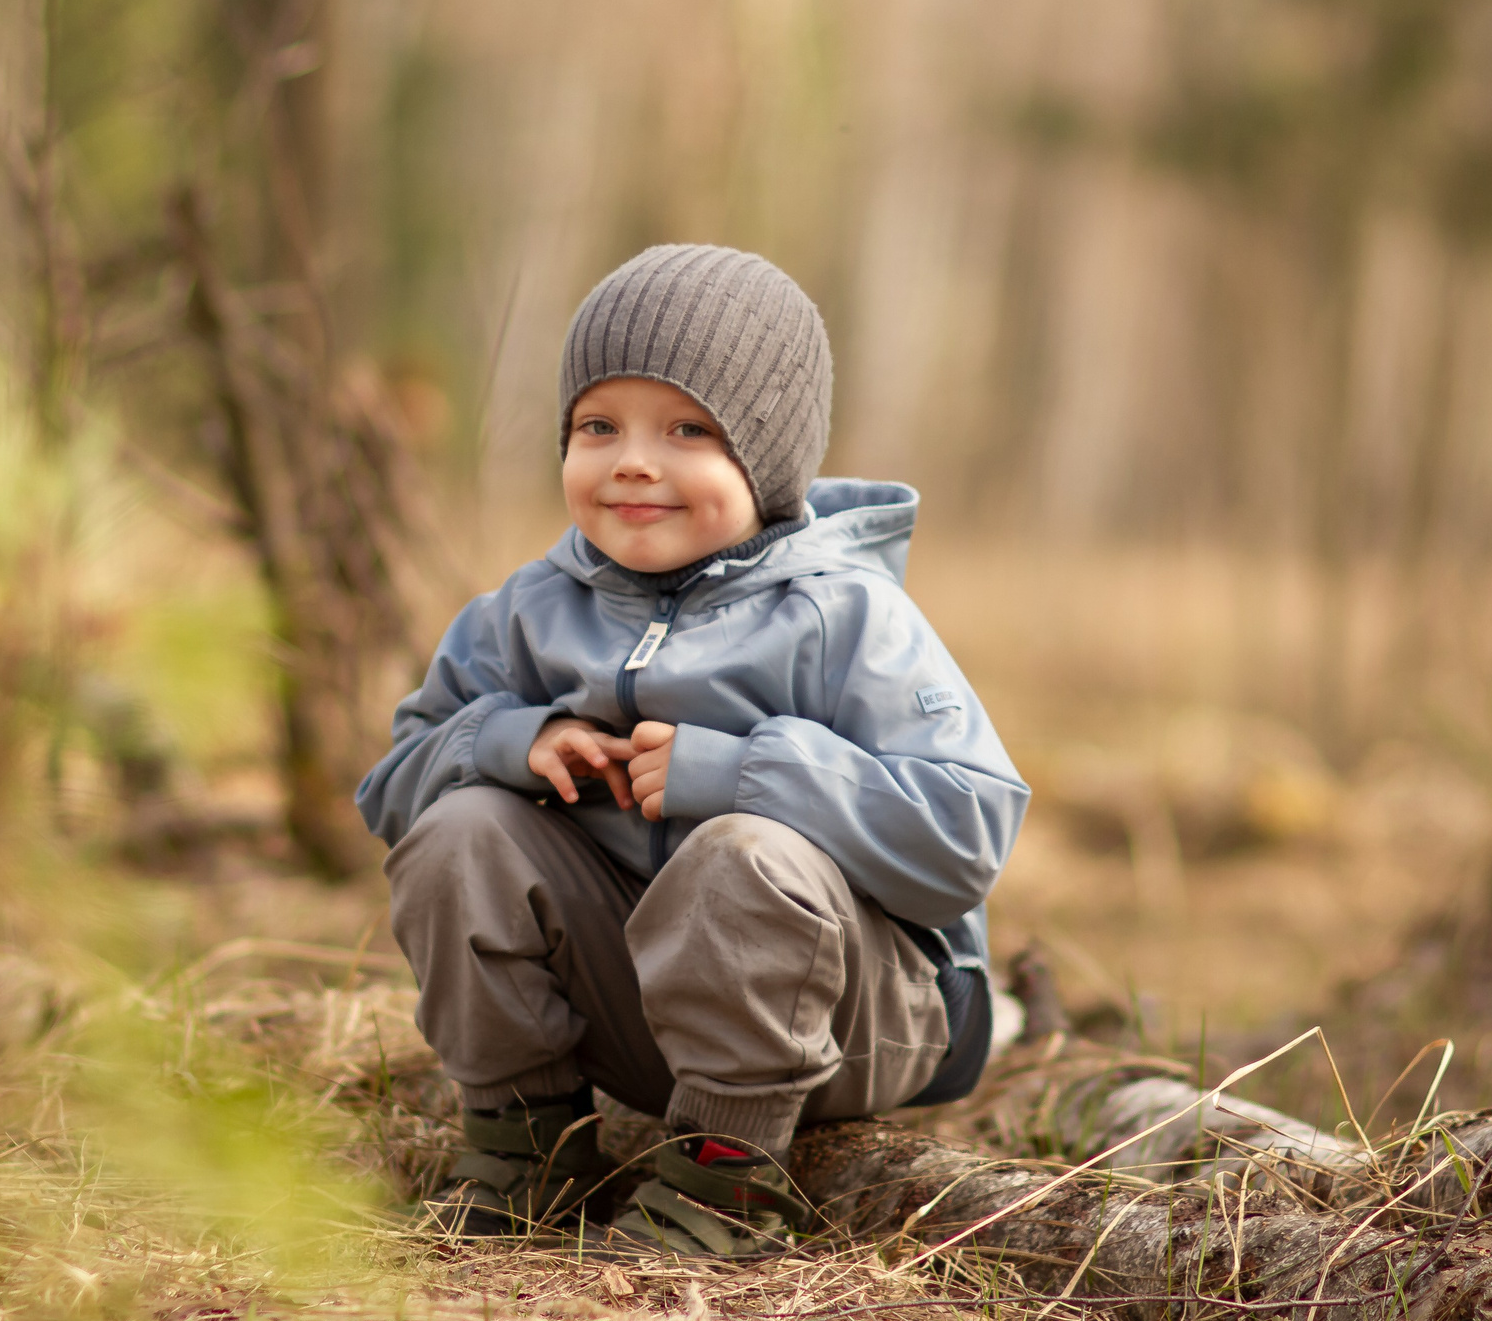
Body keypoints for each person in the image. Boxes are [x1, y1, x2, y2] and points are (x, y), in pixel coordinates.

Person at [356, 244, 1028, 1255]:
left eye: (688, 430)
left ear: (767, 458)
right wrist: (506, 739)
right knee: (462, 828)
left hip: (852, 1024)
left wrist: (744, 774)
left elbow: (965, 830)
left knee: (738, 853)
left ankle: (724, 1185)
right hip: (641, 1014)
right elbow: (392, 788)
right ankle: (526, 1147)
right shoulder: (526, 612)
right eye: (598, 426)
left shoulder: (847, 617)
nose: (633, 461)